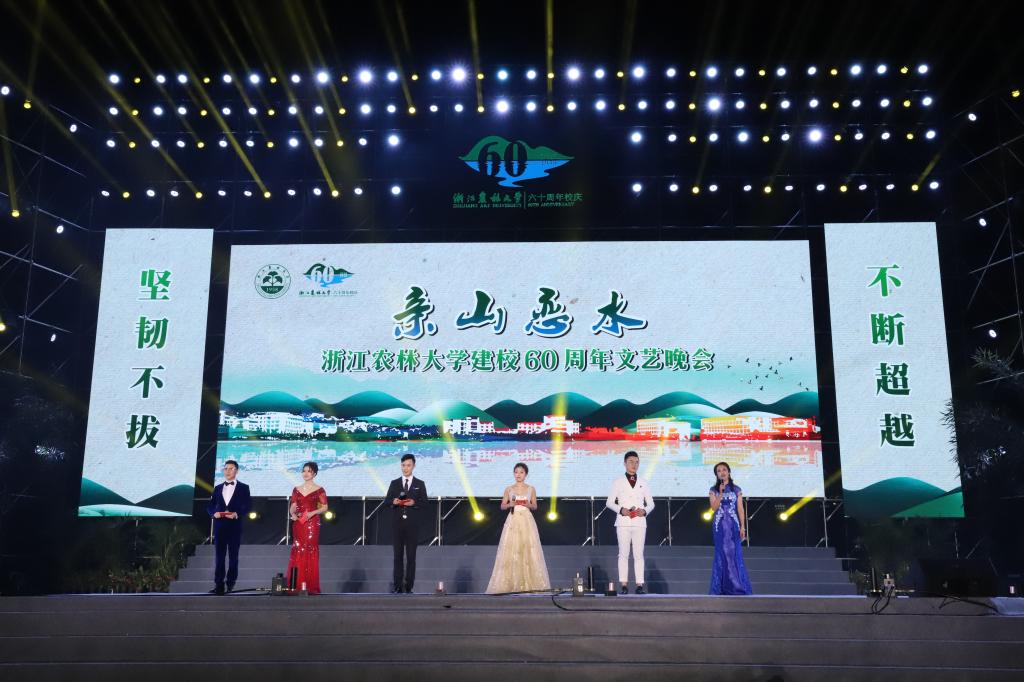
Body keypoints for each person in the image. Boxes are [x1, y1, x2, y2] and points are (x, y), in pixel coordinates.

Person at [486, 463, 551, 594]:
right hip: (513, 520)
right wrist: (511, 503)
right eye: (516, 472)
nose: (518, 475)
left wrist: (527, 504)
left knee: (528, 548)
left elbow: (535, 506)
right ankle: (510, 585)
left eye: (521, 472)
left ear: (526, 474)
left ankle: (529, 585)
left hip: (526, 520)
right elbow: (502, 506)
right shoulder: (509, 489)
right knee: (511, 549)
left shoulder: (531, 489)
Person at [606, 451, 655, 594]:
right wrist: (622, 510)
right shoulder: (618, 482)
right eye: (631, 462)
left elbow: (651, 504)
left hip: (639, 522)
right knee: (623, 554)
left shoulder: (644, 482)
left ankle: (639, 585)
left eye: (637, 462)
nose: (634, 465)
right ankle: (624, 585)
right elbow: (609, 502)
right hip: (623, 522)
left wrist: (644, 511)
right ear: (625, 463)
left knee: (639, 554)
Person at [206, 459, 251, 595]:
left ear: (236, 471)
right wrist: (213, 513)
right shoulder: (218, 488)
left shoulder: (244, 487)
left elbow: (247, 505)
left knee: (233, 556)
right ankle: (218, 584)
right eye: (226, 469)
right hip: (220, 526)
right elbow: (210, 506)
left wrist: (237, 514)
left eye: (231, 469)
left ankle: (230, 583)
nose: (228, 471)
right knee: (219, 557)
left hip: (234, 526)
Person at [385, 454, 428, 593]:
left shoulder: (419, 484)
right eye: (403, 465)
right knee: (397, 556)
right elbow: (386, 501)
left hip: (412, 525)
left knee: (411, 557)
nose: (405, 468)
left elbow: (425, 503)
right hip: (397, 525)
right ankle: (397, 586)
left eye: (408, 465)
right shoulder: (394, 483)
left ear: (413, 466)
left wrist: (414, 503)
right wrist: (393, 501)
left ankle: (409, 586)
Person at [708, 461, 753, 595]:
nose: (722, 472)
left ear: (729, 472)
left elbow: (740, 509)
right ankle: (721, 588)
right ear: (716, 475)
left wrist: (743, 527)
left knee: (734, 554)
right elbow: (714, 507)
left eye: (724, 470)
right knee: (722, 554)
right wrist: (720, 494)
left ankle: (737, 586)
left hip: (733, 526)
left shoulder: (736, 489)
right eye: (719, 471)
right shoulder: (713, 490)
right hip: (720, 526)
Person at [286, 461, 329, 594]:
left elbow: (325, 507)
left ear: (314, 474)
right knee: (298, 549)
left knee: (310, 549)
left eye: (309, 471)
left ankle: (309, 585)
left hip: (312, 523)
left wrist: (312, 513)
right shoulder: (296, 489)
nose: (305, 473)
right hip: (299, 523)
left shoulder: (319, 489)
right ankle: (296, 585)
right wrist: (293, 514)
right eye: (304, 471)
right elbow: (293, 506)